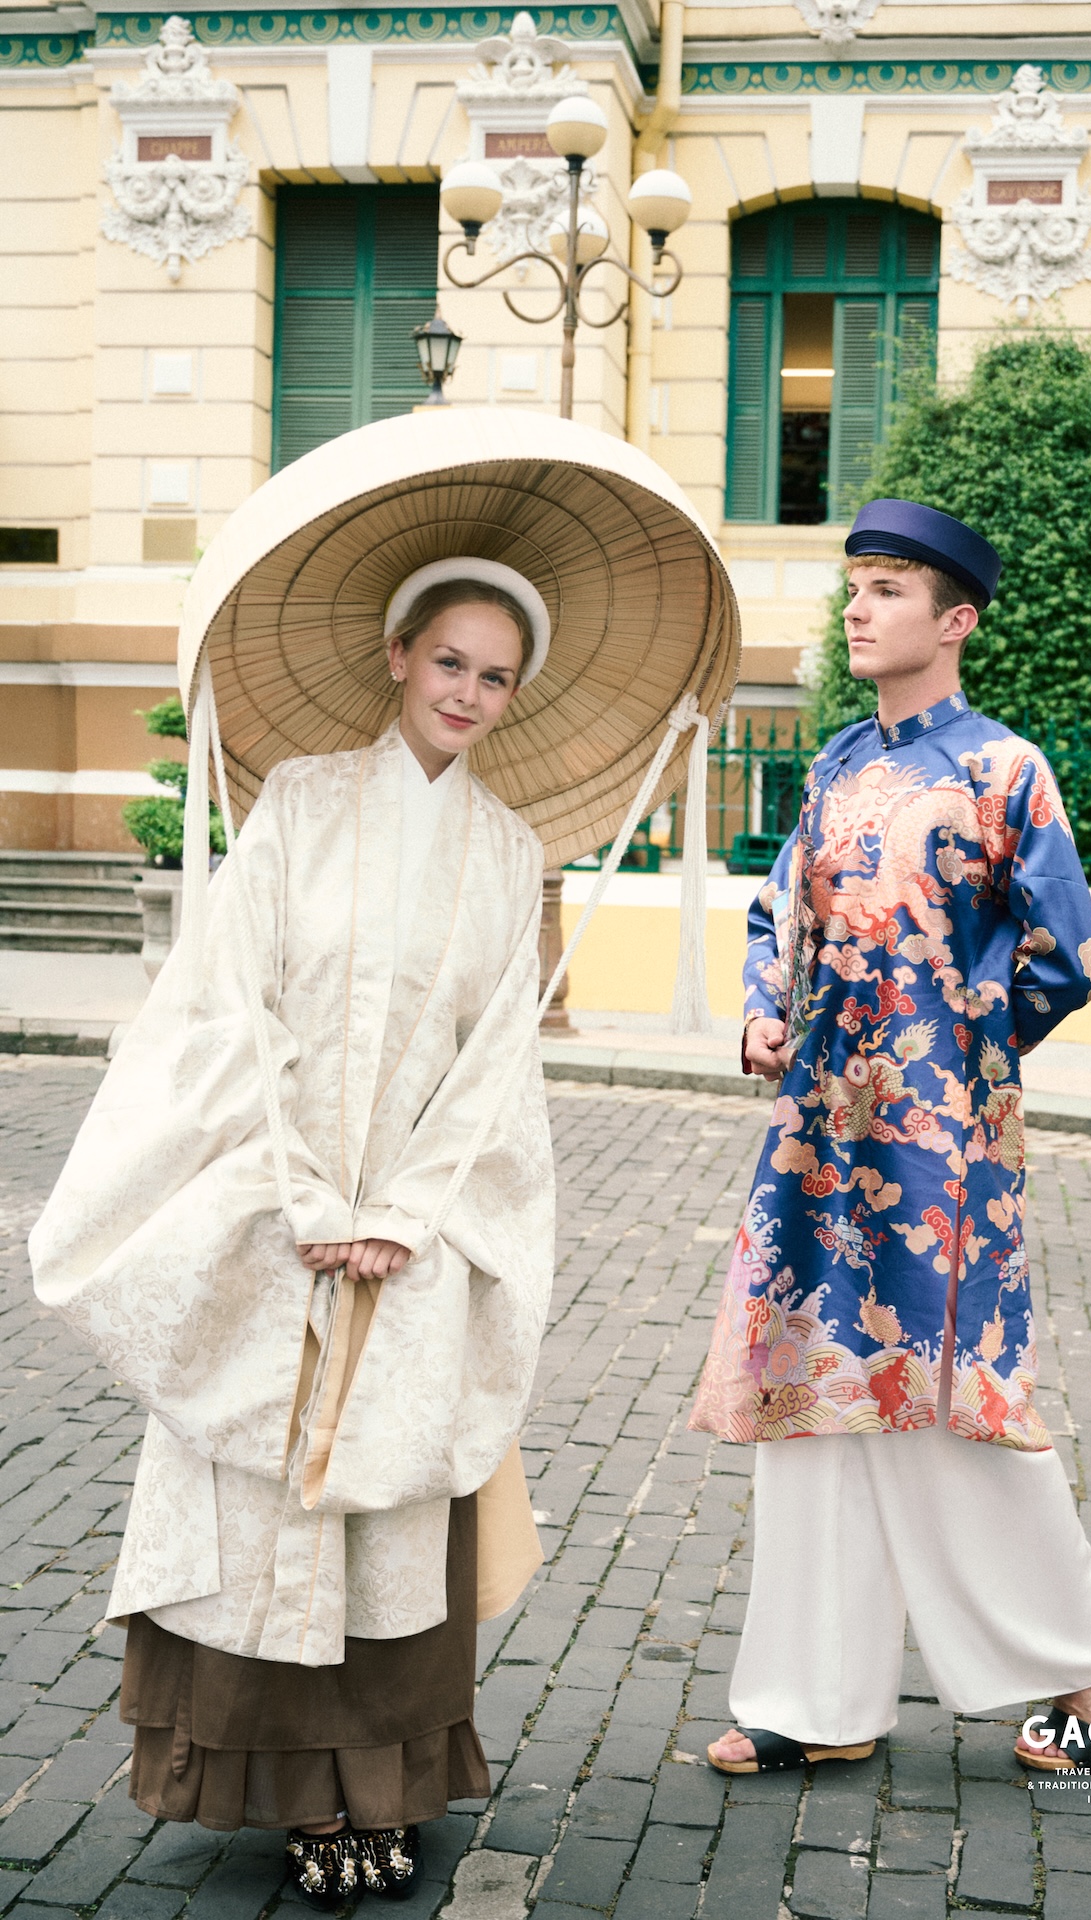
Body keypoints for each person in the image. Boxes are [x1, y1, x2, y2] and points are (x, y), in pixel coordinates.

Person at [30, 565, 556, 1907]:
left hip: (415, 1245)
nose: (469, 696)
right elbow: (228, 1006)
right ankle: (298, 1804)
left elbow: (492, 1063)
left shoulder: (509, 853)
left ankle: (383, 1794)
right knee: (271, 1497)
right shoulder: (302, 806)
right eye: (450, 663)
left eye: (495, 676)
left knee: (387, 1514)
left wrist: (405, 1213)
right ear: (398, 655)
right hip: (276, 1218)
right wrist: (313, 1203)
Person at [689, 498, 1091, 1780]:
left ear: (953, 620)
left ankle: (1085, 1659)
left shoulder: (1004, 770)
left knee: (950, 1397)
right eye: (854, 586)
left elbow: (1069, 954)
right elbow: (773, 912)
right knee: (814, 1388)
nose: (857, 606)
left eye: (886, 588)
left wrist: (948, 1049)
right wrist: (764, 1017)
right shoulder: (834, 763)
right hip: (815, 1134)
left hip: (938, 1150)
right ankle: (811, 1694)